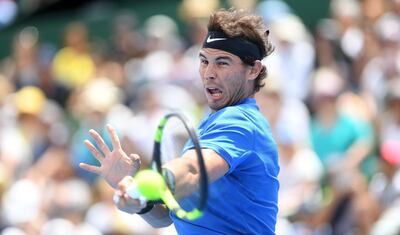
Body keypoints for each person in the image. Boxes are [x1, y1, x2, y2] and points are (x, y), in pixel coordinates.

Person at [79, 8, 279, 234]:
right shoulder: (211, 124)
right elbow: (165, 218)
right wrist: (137, 194)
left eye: (222, 63)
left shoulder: (241, 122)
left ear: (253, 69)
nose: (209, 73)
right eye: (204, 61)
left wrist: (142, 186)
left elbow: (193, 170)